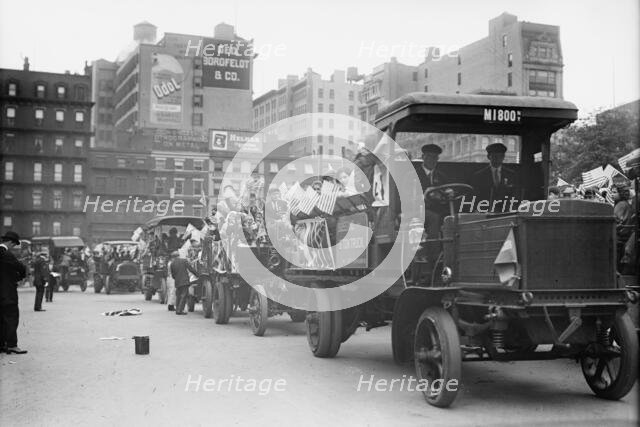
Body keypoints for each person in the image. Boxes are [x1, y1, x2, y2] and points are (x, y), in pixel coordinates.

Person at [0, 231, 28, 354]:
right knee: (11, 317)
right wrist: (18, 277)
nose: (13, 247)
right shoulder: (5, 254)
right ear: (10, 242)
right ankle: (11, 345)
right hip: (7, 292)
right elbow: (21, 268)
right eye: (14, 245)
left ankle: (1, 345)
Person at [472, 142, 518, 210]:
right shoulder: (479, 176)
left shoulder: (511, 175)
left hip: (505, 211)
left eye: (501, 156)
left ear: (503, 157)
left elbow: (515, 194)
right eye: (494, 156)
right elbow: (476, 196)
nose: (498, 159)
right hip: (485, 210)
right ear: (488, 157)